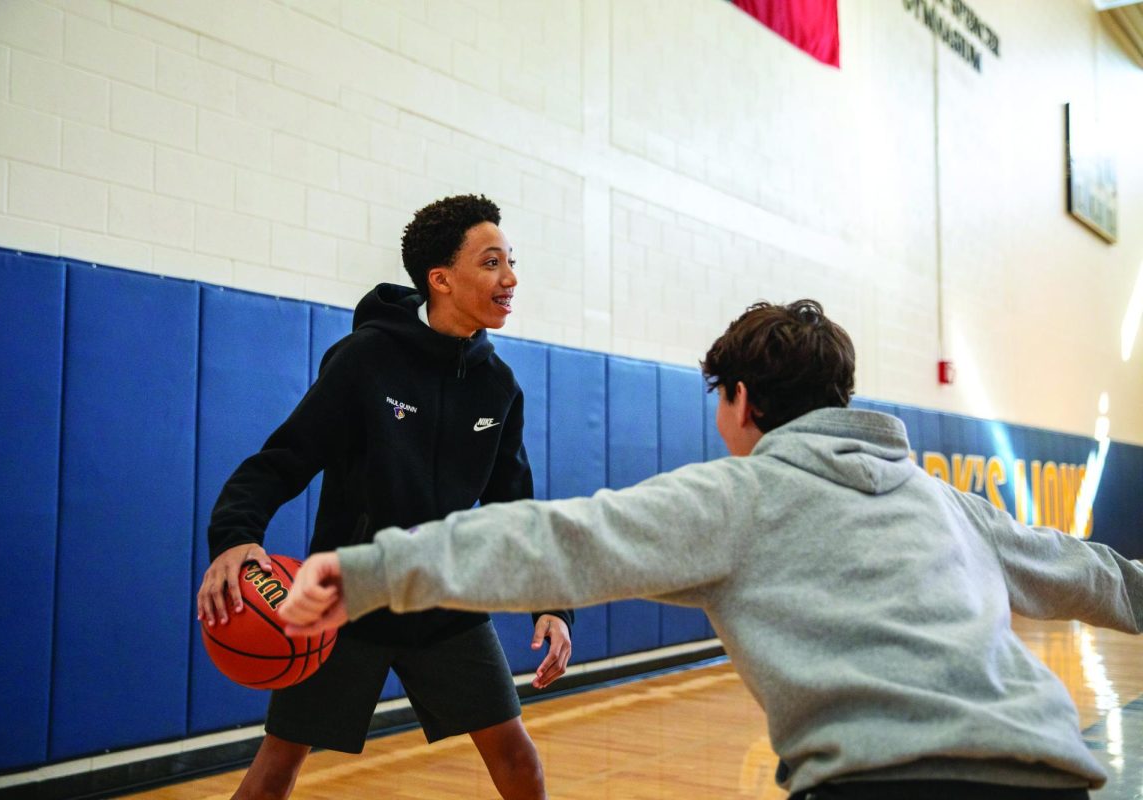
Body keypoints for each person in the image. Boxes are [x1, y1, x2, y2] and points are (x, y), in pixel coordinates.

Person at [281, 299, 1143, 800]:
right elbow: (1102, 577)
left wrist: (366, 572)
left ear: (738, 401)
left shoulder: (738, 497)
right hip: (1050, 774)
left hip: (884, 782)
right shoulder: (952, 504)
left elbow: (556, 540)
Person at [197, 194, 573, 800]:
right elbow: (283, 459)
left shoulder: (499, 385)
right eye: (492, 262)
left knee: (518, 760)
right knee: (276, 770)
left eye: (511, 261)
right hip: (347, 602)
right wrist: (236, 537)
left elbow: (516, 510)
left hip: (443, 602)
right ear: (440, 279)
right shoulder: (365, 360)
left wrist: (551, 604)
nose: (511, 278)